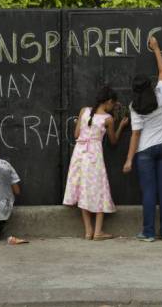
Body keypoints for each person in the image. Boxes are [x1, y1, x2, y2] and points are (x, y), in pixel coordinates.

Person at [63, 86, 129, 241]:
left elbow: (76, 134)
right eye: (113, 104)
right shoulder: (108, 119)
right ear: (109, 102)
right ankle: (98, 232)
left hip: (79, 155)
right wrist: (121, 126)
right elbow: (113, 141)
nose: (113, 107)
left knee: (82, 190)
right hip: (94, 156)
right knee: (100, 190)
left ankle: (88, 231)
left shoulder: (84, 111)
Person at [122, 36, 162, 242]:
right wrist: (156, 48)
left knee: (149, 193)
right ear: (150, 85)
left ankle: (149, 232)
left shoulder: (135, 107)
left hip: (144, 151)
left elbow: (135, 134)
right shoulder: (160, 96)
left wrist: (128, 160)